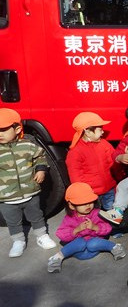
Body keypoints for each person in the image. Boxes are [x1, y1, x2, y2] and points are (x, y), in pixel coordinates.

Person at [0, 108, 57, 257]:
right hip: (6, 197)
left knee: (36, 216)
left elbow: (40, 156)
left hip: (30, 192)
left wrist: (41, 169)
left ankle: (42, 236)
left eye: (3, 129)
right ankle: (18, 241)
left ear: (17, 128)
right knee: (12, 221)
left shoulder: (28, 145)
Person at [47, 182, 126, 273]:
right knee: (80, 242)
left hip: (95, 246)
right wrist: (76, 230)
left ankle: (114, 247)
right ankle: (57, 257)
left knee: (92, 243)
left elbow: (108, 228)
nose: (88, 205)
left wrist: (95, 227)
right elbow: (60, 234)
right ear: (71, 205)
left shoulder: (97, 213)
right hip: (79, 251)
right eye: (83, 203)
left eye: (90, 202)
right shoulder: (70, 218)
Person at [65, 112, 117, 210]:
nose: (103, 132)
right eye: (100, 129)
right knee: (94, 217)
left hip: (108, 189)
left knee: (112, 216)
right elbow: (76, 177)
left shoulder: (104, 144)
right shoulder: (75, 151)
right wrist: (83, 194)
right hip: (91, 194)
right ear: (87, 131)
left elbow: (113, 162)